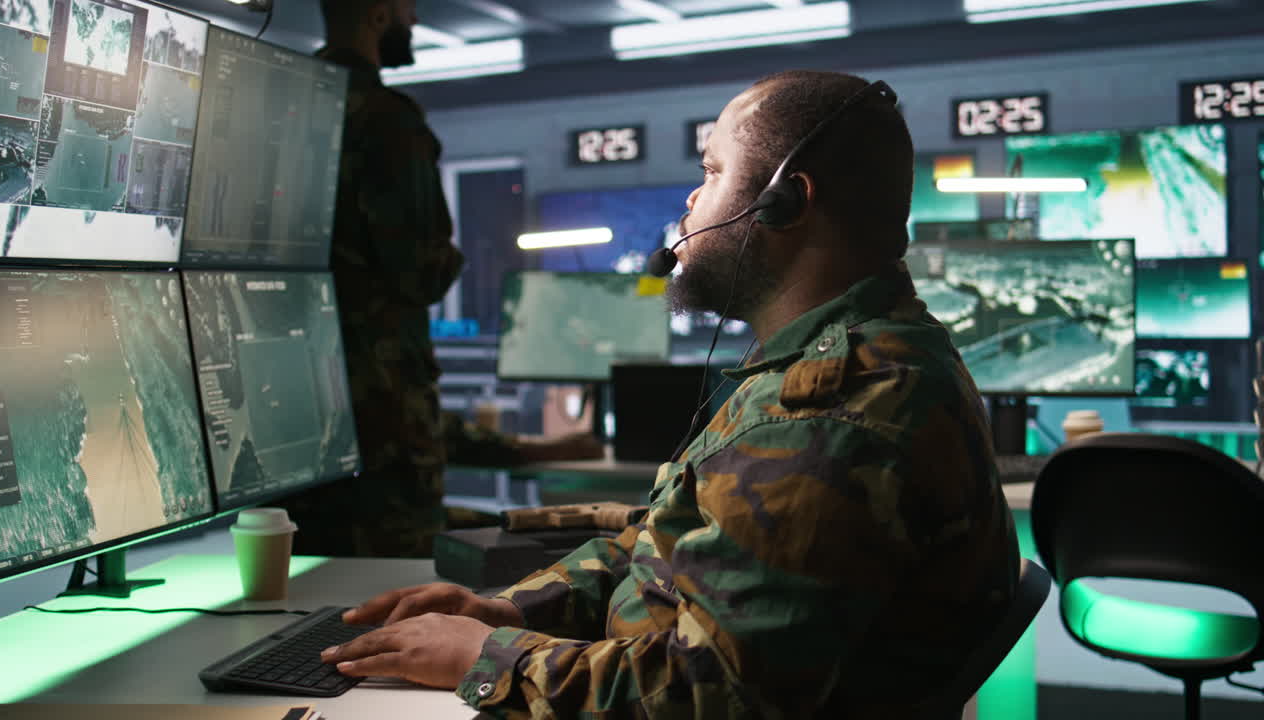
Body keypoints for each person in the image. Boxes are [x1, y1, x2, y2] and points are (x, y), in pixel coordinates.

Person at [319, 70, 1020, 717]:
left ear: (785, 204)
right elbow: (663, 544)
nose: (691, 200)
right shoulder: (830, 362)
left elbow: (701, 696)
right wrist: (507, 613)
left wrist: (484, 659)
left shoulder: (832, 417)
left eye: (711, 171)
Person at [283, 0, 600, 558]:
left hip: (301, 450)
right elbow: (421, 271)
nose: (415, 22)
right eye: (406, 8)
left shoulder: (289, 114)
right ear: (377, 13)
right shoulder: (385, 121)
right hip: (382, 482)